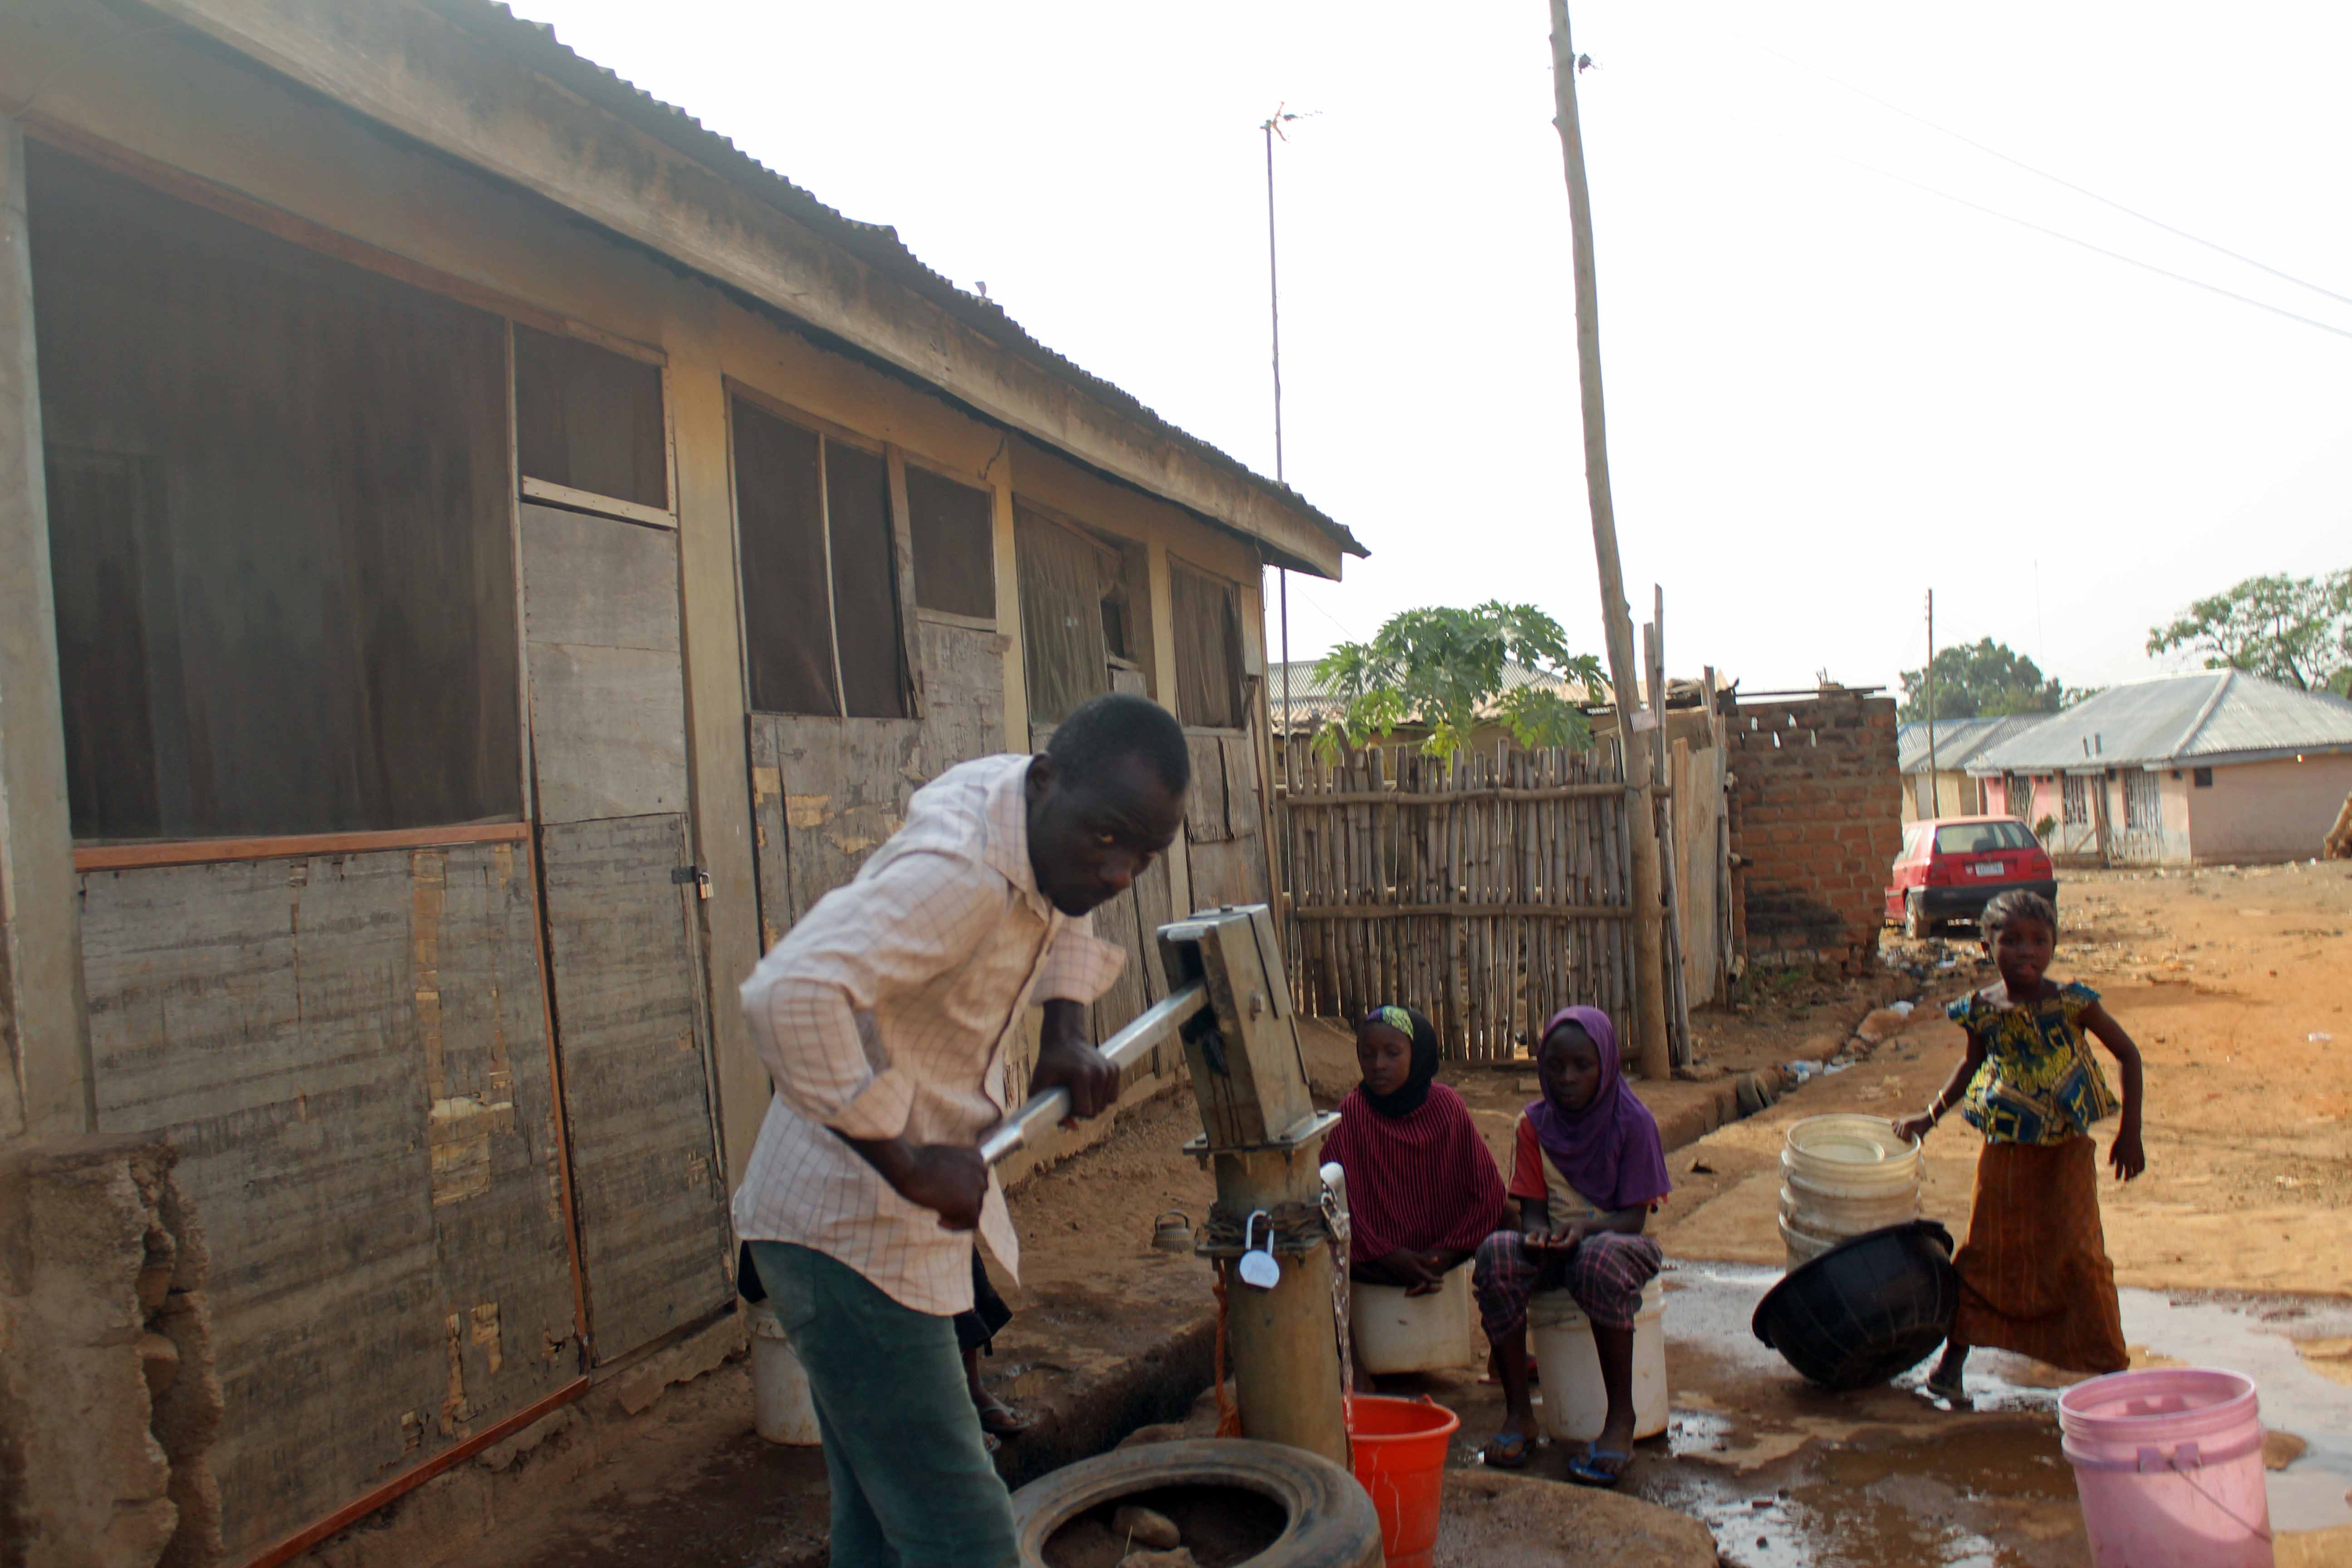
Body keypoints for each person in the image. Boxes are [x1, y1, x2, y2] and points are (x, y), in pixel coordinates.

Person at [733, 693, 1189, 1568]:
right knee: (962, 1531)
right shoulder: (959, 876)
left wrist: (1063, 1031)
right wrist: (902, 1160)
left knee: (877, 1520)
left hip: (862, 1222)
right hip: (847, 1231)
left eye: (1146, 852)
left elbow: (1074, 889)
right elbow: (785, 994)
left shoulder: (1039, 816)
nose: (1120, 872)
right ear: (1047, 782)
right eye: (1108, 839)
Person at [1896, 888, 2146, 1408]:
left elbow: (2128, 1054)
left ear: (2054, 944)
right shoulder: (1982, 1011)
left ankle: (2112, 1376)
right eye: (2011, 941)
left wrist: (2131, 1133)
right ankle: (1951, 1368)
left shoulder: (2073, 1002)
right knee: (1987, 1255)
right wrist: (1930, 1116)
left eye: (2039, 940)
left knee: (2079, 1254)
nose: (2026, 951)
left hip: (2065, 1150)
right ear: (1987, 946)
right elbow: (1970, 1068)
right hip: (2005, 1151)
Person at [1473, 1005, 1670, 1487]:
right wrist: (1537, 1235)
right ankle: (1520, 1414)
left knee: (1597, 1261)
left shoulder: (1634, 1122)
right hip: (1559, 1249)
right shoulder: (1534, 1125)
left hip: (1620, 1245)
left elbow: (1633, 1219)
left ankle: (1620, 1420)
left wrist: (1583, 1232)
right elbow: (1533, 1208)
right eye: (1554, 1066)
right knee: (1496, 1254)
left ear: (1606, 1064)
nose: (1567, 1077)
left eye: (1583, 1066)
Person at [1321, 1004, 1509, 1386]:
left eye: (1393, 1053)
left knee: (1511, 1221)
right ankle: (1353, 1367)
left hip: (1441, 1248)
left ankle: (1506, 1352)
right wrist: (1389, 1255)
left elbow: (1485, 1190)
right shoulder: (1353, 1113)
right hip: (1375, 1255)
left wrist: (1446, 1254)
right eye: (1368, 1054)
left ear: (1418, 1053)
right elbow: (1335, 1202)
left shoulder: (1446, 1108)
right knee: (1316, 1251)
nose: (1378, 1065)